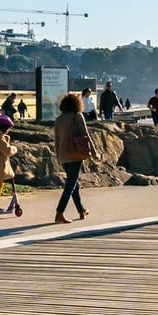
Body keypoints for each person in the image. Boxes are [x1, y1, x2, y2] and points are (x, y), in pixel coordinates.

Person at [52, 92, 92, 224]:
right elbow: (86, 135)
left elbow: (56, 140)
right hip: (75, 154)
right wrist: (94, 152)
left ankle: (81, 210)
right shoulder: (77, 116)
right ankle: (59, 212)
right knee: (70, 185)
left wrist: (58, 156)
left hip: (63, 156)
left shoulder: (59, 119)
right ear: (77, 104)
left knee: (73, 183)